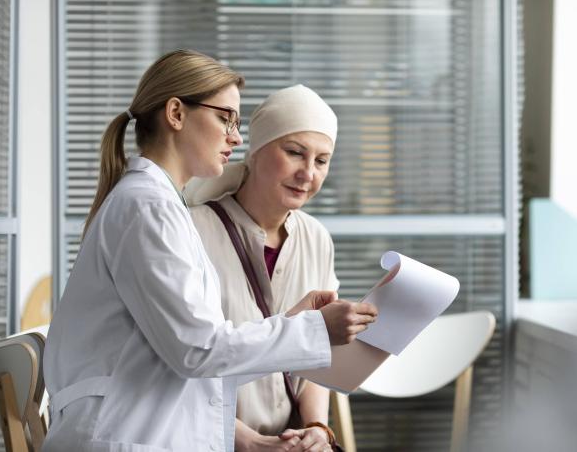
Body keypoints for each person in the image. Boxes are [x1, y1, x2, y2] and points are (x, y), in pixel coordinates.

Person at [42, 50, 378, 452]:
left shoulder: (158, 205)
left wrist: (297, 325)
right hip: (125, 435)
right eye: (225, 118)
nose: (236, 137)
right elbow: (198, 351)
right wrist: (314, 329)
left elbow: (197, 352)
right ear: (176, 114)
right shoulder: (149, 208)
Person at [187, 85, 345, 452]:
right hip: (208, 440)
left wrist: (317, 429)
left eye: (321, 161)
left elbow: (318, 352)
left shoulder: (317, 238)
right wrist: (247, 441)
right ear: (255, 150)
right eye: (294, 152)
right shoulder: (193, 231)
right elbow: (181, 360)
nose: (308, 173)